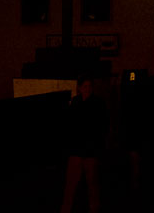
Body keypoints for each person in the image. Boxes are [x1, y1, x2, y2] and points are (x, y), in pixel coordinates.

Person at [61, 77, 106, 213]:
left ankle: (93, 208)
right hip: (76, 149)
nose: (87, 89)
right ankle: (66, 208)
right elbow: (69, 124)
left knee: (92, 183)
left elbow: (101, 125)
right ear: (80, 88)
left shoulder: (97, 103)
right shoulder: (75, 102)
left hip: (90, 150)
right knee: (71, 184)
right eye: (85, 86)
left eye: (89, 86)